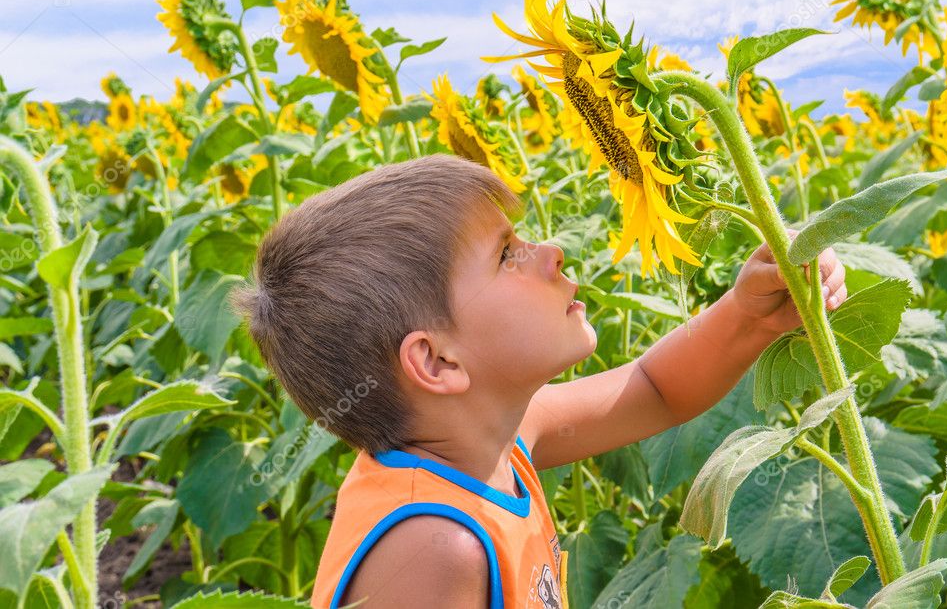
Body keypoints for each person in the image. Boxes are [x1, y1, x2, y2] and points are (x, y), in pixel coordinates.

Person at [231, 153, 847, 609]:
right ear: (439, 363)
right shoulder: (432, 545)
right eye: (506, 254)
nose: (550, 251)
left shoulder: (495, 442)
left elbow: (654, 390)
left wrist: (747, 313)